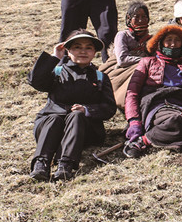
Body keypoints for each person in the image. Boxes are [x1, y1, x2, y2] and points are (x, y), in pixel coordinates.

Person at [27, 30, 116, 181]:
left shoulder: (100, 77)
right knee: (54, 118)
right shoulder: (57, 72)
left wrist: (87, 110)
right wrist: (55, 57)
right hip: (50, 128)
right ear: (68, 51)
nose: (83, 51)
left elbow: (109, 108)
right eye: (77, 47)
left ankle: (66, 164)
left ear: (94, 52)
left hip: (83, 131)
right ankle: (41, 164)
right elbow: (35, 81)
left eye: (88, 47)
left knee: (76, 116)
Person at [122, 25, 182, 157]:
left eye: (177, 40)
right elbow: (132, 93)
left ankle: (162, 138)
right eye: (169, 40)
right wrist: (134, 121)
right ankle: (144, 141)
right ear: (160, 43)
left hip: (181, 104)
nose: (173, 44)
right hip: (157, 104)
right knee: (175, 121)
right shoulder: (147, 62)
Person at [107, 1, 151, 108]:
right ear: (129, 18)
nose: (140, 20)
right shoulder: (122, 35)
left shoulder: (150, 39)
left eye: (144, 17)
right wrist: (144, 60)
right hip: (120, 69)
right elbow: (122, 60)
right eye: (136, 17)